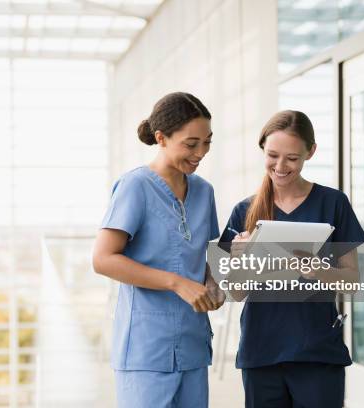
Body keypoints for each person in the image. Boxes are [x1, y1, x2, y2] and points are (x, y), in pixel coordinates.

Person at [219, 110, 364, 408]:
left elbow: (351, 281)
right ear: (262, 148)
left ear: (310, 152)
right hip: (261, 352)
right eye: (273, 155)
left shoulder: (333, 203)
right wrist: (239, 259)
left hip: (317, 352)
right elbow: (234, 292)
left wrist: (319, 270)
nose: (280, 166)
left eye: (292, 158)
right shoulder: (243, 211)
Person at [92, 92, 225, 408]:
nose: (200, 153)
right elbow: (103, 259)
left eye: (207, 142)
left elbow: (211, 257)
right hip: (146, 348)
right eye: (191, 144)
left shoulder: (204, 192)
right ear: (161, 138)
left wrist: (213, 284)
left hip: (193, 345)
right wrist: (176, 282)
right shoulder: (135, 186)